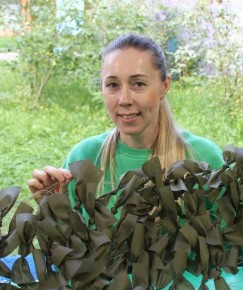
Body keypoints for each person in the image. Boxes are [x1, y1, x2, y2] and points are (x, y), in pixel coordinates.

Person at [27, 33, 224, 217]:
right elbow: (70, 246)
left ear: (165, 86)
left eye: (138, 84)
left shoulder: (203, 158)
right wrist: (53, 209)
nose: (124, 99)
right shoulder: (84, 158)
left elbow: (238, 243)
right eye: (113, 85)